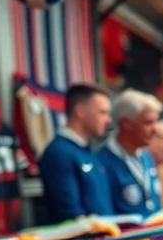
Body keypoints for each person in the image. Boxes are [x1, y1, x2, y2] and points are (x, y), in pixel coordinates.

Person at [39, 83, 114, 223]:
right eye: (102, 112)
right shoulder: (58, 153)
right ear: (80, 111)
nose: (108, 120)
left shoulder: (89, 151)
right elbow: (71, 215)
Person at [97, 90, 163, 216]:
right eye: (148, 122)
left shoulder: (146, 157)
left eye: (156, 122)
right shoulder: (101, 162)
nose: (155, 129)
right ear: (126, 123)